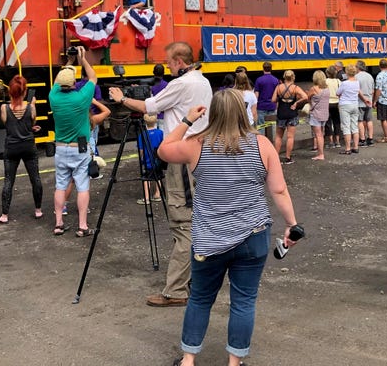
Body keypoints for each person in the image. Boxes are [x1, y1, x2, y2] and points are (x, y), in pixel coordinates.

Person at [157, 90, 300, 366]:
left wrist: (187, 121)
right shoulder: (262, 145)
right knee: (244, 301)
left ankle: (188, 360)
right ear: (243, 111)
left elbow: (163, 149)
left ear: (213, 113)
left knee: (199, 298)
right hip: (252, 235)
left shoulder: (196, 145)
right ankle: (234, 362)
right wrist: (292, 225)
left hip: (208, 239)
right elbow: (279, 190)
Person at [109, 41, 213, 307]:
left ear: (179, 61)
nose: (167, 66)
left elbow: (148, 107)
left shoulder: (181, 84)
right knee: (196, 219)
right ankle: (193, 279)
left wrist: (121, 99)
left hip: (181, 155)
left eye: (169, 61)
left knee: (183, 223)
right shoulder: (203, 82)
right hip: (200, 153)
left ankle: (177, 289)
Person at [48, 46, 97, 238]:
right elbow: (93, 78)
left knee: (61, 186)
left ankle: (59, 223)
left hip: (60, 148)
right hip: (80, 148)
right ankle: (82, 226)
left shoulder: (53, 97)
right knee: (82, 186)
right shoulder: (81, 98)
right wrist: (82, 59)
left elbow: (55, 83)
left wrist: (69, 61)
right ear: (75, 82)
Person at [0, 75, 43, 223]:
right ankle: (38, 210)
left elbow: (7, 124)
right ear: (24, 91)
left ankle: (4, 215)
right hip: (28, 146)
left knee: (9, 180)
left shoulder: (4, 108)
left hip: (11, 147)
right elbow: (31, 122)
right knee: (35, 178)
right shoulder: (31, 107)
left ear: (11, 92)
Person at [271, 70, 308, 165]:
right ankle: (288, 157)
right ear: (293, 77)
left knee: (279, 136)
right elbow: (305, 96)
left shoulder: (279, 87)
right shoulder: (295, 88)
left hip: (281, 113)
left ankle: (276, 157)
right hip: (292, 113)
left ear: (284, 77)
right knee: (290, 137)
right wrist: (296, 102)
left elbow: (273, 100)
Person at [337, 64, 370, 155]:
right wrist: (365, 100)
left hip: (345, 105)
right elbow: (359, 92)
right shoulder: (356, 82)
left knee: (346, 127)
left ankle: (347, 148)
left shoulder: (344, 83)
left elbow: (338, 93)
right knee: (354, 127)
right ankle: (355, 147)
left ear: (346, 73)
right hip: (355, 104)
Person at [137, 113, 164, 205]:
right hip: (158, 159)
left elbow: (141, 149)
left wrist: (141, 157)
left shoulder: (142, 134)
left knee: (146, 178)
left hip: (147, 159)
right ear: (156, 121)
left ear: (145, 122)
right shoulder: (160, 133)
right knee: (158, 176)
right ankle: (157, 194)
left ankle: (147, 197)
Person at [306, 70, 330, 160]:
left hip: (316, 114)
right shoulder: (327, 89)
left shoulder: (314, 89)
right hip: (324, 114)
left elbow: (308, 98)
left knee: (318, 135)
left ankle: (321, 154)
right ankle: (321, 152)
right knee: (321, 134)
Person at [373, 58, 387, 142]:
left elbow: (378, 89)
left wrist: (375, 100)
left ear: (379, 66)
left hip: (382, 99)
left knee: (383, 119)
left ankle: (386, 137)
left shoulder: (379, 76)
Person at [355, 60, 375, 146]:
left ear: (358, 67)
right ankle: (370, 138)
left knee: (360, 121)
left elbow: (357, 90)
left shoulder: (356, 77)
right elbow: (373, 90)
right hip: (369, 101)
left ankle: (362, 139)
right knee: (369, 120)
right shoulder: (370, 76)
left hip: (360, 101)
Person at [253, 62, 279, 127]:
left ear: (263, 69)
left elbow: (256, 94)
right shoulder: (275, 80)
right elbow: (277, 95)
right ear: (271, 69)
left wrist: (254, 107)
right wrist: (277, 106)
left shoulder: (259, 80)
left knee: (261, 127)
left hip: (261, 106)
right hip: (272, 106)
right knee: (272, 126)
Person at [324, 65, 341, 149]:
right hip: (337, 103)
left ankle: (330, 141)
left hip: (327, 103)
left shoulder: (325, 81)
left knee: (328, 123)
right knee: (337, 122)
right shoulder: (338, 81)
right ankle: (337, 141)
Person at [151, 63, 168, 130]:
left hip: (152, 115)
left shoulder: (150, 85)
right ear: (163, 73)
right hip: (163, 115)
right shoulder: (167, 85)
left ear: (153, 72)